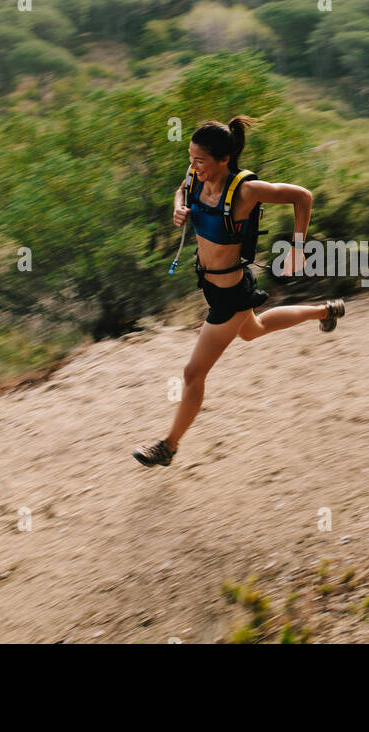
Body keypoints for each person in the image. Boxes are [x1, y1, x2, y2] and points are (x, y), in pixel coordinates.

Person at [134, 116, 345, 468]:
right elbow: (180, 189)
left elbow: (302, 197)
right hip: (211, 285)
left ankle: (168, 446)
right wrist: (178, 208)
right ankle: (325, 311)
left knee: (192, 374)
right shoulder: (194, 179)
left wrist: (297, 247)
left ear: (223, 160)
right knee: (254, 330)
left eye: (200, 160)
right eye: (191, 158)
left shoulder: (245, 190)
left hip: (229, 292)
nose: (193, 166)